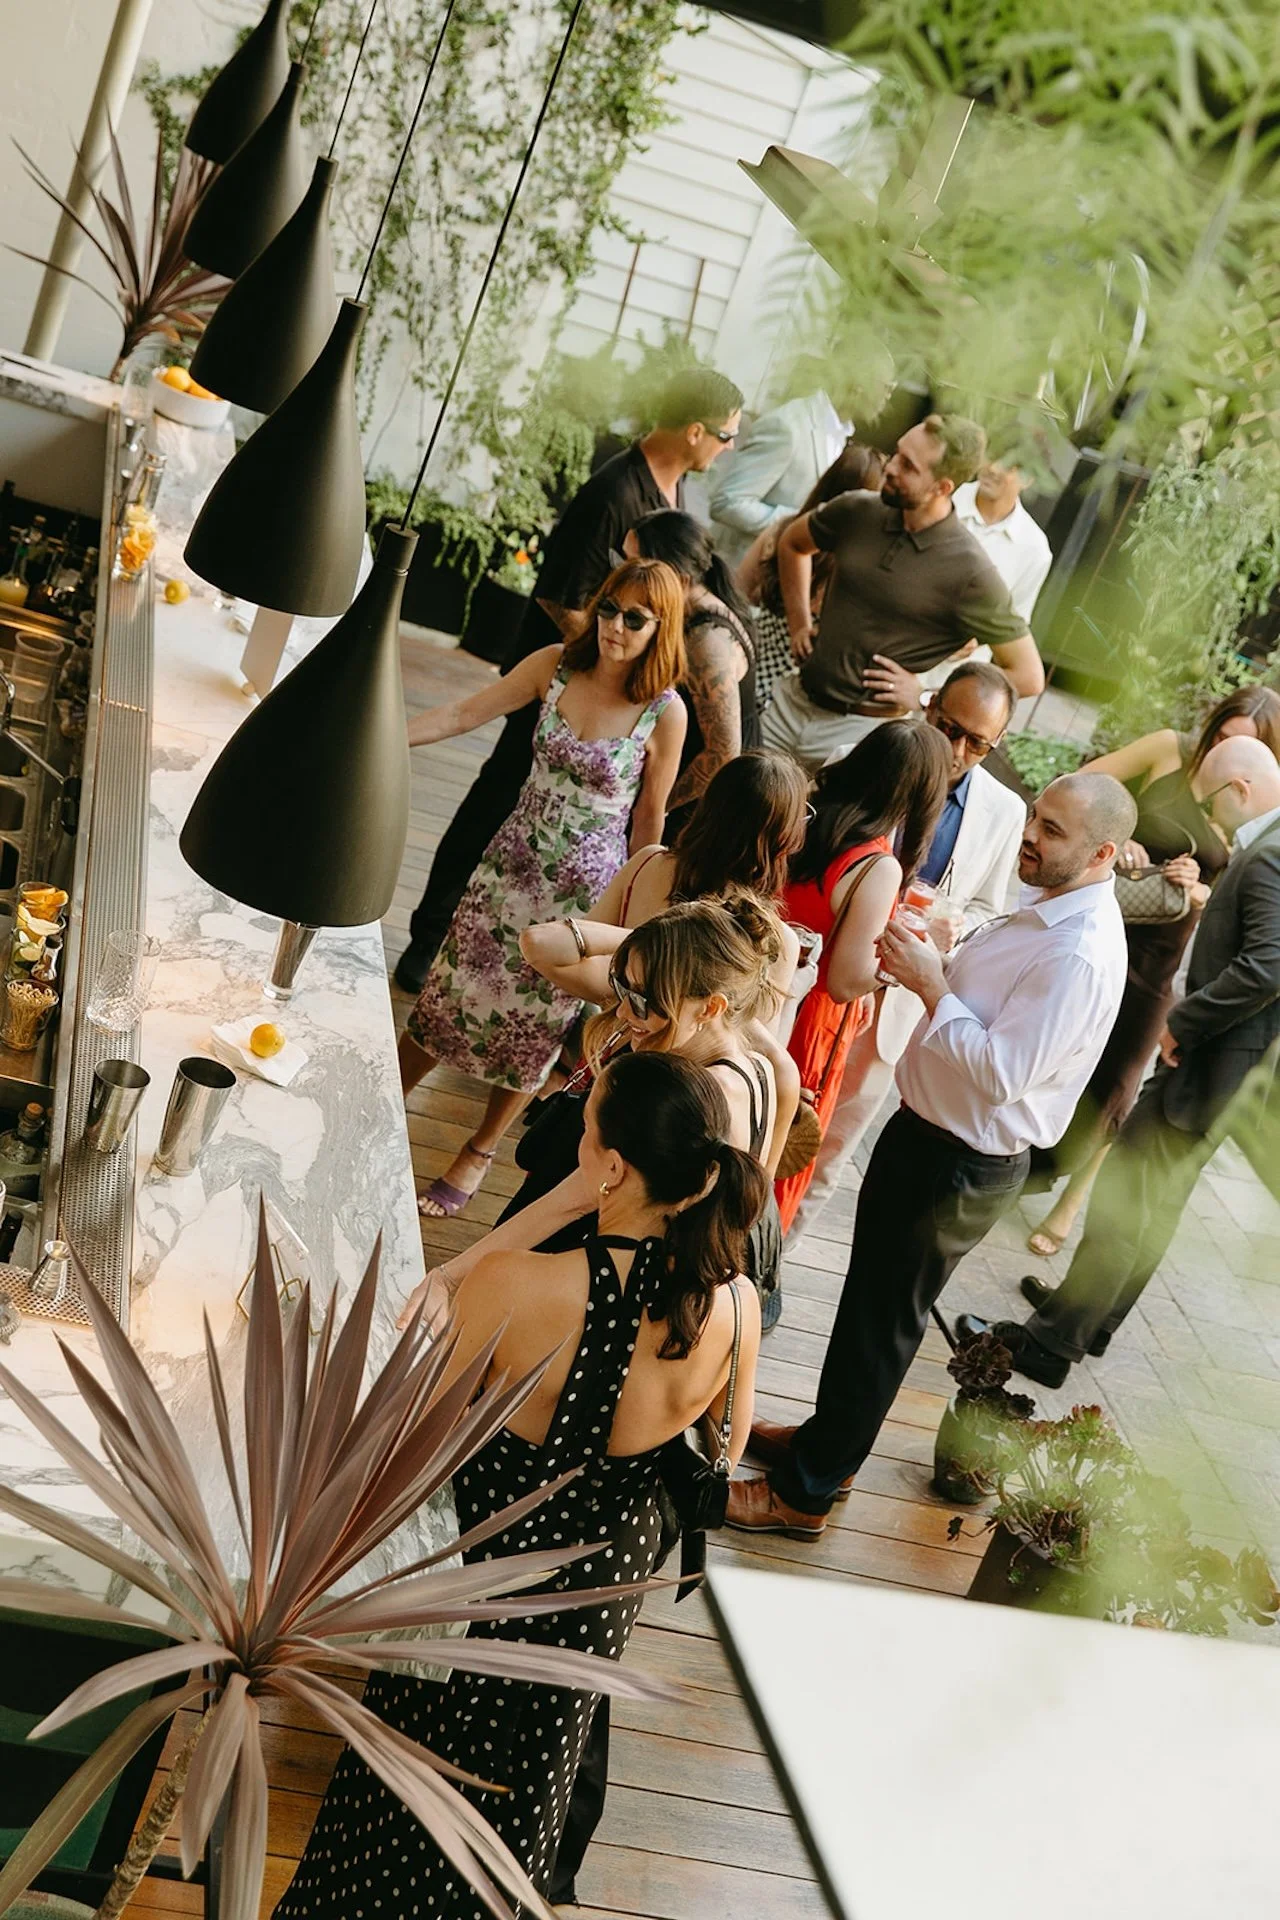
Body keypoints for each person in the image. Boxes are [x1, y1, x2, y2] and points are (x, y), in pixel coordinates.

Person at [276, 1050, 763, 1920]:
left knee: (399, 1794)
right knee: (529, 1794)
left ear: (614, 1165)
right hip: (601, 1591)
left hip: (480, 1577)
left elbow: (414, 1435)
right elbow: (725, 1441)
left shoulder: (516, 1287)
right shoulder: (735, 1305)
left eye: (586, 1126)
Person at [727, 771, 1135, 1536]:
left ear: (1103, 853)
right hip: (929, 1137)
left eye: (1052, 831)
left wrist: (929, 983)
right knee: (867, 1312)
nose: (1030, 836)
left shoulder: (1078, 952)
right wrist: (944, 958)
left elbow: (1004, 1073)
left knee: (883, 1325)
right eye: (1035, 817)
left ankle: (804, 1497)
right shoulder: (1050, 903)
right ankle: (829, 1448)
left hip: (957, 1163)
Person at [393, 366, 744, 993]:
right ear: (696, 431)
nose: (728, 447)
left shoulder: (675, 490)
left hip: (610, 752)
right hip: (557, 696)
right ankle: (429, 938)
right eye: (726, 436)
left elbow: (652, 816)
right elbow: (561, 596)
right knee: (494, 804)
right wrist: (596, 668)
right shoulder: (613, 493)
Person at [975, 736, 1280, 1388]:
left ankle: (1051, 1344)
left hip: (1215, 1059)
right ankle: (1092, 1320)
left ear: (1241, 790)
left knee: (1128, 1196)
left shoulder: (1273, 854)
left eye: (1211, 797)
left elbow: (1268, 967)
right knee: (1157, 1204)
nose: (1207, 811)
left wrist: (1183, 1022)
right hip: (1233, 1066)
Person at [401, 559, 687, 1218]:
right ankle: (387, 1092)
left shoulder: (664, 713)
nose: (615, 626)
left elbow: (650, 818)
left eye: (635, 618)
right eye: (609, 608)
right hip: (510, 862)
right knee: (449, 987)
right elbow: (464, 712)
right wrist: (387, 736)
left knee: (536, 1023)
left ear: (660, 628)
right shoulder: (554, 664)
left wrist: (638, 915)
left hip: (585, 893)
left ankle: (480, 1148)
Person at [1022, 687, 1280, 1257]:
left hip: (1160, 957)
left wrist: (1201, 889)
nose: (1225, 754)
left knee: (1119, 1086)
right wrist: (1118, 840)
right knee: (1051, 1046)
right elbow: (1081, 789)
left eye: (1245, 747)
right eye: (1222, 737)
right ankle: (1016, 1157)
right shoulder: (1169, 749)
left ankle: (1068, 1204)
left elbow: (1241, 914)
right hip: (1099, 921)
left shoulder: (1254, 817)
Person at [788, 662, 1027, 1242]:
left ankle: (775, 1258)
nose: (958, 751)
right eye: (950, 728)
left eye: (978, 743)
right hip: (817, 982)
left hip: (893, 1007)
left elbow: (989, 908)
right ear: (930, 706)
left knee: (831, 1145)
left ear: (996, 743)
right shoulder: (863, 756)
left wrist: (947, 930)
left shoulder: (1005, 810)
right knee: (776, 1117)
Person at [761, 413, 1045, 773]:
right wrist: (799, 623)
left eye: (908, 466)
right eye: (897, 454)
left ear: (942, 487)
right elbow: (793, 543)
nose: (891, 467)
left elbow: (1028, 675)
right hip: (789, 704)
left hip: (860, 736)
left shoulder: (971, 572)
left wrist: (928, 696)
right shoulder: (858, 508)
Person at [774, 719, 951, 1233]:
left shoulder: (806, 816)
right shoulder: (876, 864)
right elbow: (846, 980)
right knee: (783, 1151)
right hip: (809, 1019)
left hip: (762, 986)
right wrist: (903, 963)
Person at [522, 747, 810, 1010]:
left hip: (613, 1042)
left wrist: (624, 994)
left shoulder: (648, 863)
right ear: (782, 838)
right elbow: (757, 1045)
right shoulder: (774, 939)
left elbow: (579, 953)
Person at [623, 509, 761, 825]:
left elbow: (722, 754)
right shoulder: (683, 611)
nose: (624, 575)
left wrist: (653, 807)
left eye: (636, 566)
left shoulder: (707, 641)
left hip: (709, 804)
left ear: (679, 578)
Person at [737, 441, 887, 715]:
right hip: (785, 705)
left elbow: (738, 592)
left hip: (743, 673)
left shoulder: (783, 530)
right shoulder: (857, 565)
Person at [708, 384, 856, 567]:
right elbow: (727, 503)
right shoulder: (788, 425)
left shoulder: (840, 434)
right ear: (858, 386)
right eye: (885, 386)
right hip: (734, 568)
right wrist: (802, 523)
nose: (886, 397)